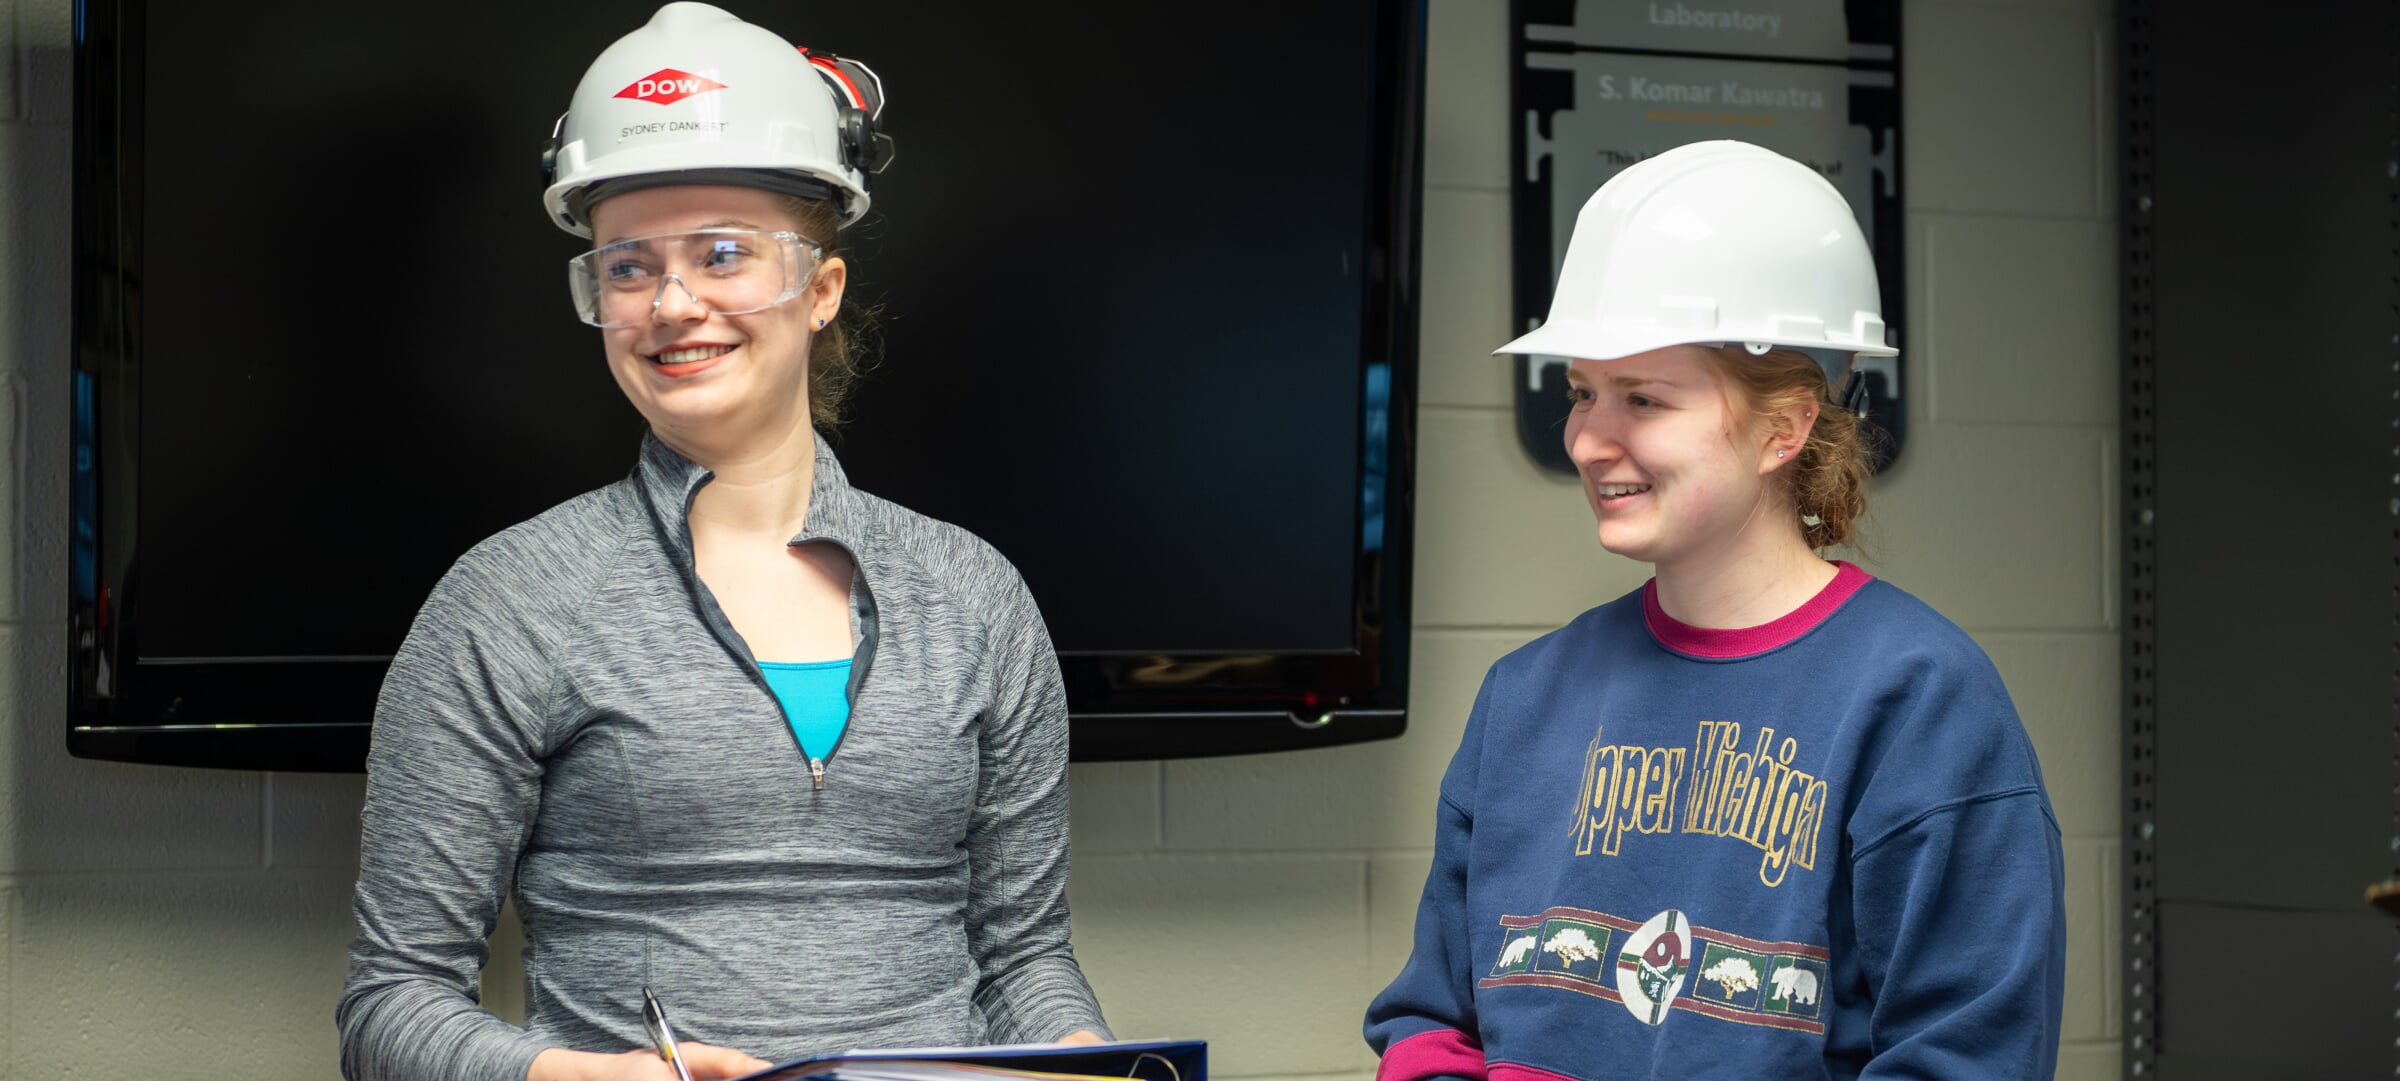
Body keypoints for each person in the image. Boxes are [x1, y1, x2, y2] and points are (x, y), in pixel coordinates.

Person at [336, 6, 1110, 1079]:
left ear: (821, 290)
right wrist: (586, 1079)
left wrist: (1083, 1058)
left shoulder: (975, 596)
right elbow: (391, 1004)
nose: (673, 303)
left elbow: (1024, 956)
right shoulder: (508, 601)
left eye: (724, 253)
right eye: (627, 267)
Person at [1363, 140, 2066, 1079]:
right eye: (1581, 393)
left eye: (1643, 399)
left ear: (1786, 426)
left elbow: (1967, 1056)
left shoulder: (1922, 702)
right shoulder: (1524, 696)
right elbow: (1430, 1019)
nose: (1588, 439)